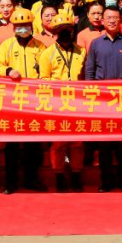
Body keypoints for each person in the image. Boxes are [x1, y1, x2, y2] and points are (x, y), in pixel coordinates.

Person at [0, 8, 48, 194]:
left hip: (34, 101)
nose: (23, 29)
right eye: (19, 26)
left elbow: (46, 68)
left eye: (26, 25)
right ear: (13, 27)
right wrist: (8, 71)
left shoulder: (40, 46)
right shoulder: (6, 45)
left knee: (33, 144)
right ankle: (11, 181)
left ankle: (32, 179)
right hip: (13, 101)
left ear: (31, 26)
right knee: (12, 145)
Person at [85, 6, 122, 192]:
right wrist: (92, 96)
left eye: (115, 17)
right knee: (105, 145)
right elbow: (90, 71)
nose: (111, 20)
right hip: (102, 102)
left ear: (121, 21)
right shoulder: (96, 44)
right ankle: (106, 181)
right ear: (102, 20)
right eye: (108, 17)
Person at [38, 11, 86, 192]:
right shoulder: (47, 54)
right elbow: (43, 79)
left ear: (72, 30)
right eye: (60, 29)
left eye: (67, 29)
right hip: (57, 104)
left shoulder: (81, 51)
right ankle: (58, 175)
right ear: (55, 32)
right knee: (58, 142)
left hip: (78, 103)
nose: (65, 32)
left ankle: (76, 174)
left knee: (77, 142)